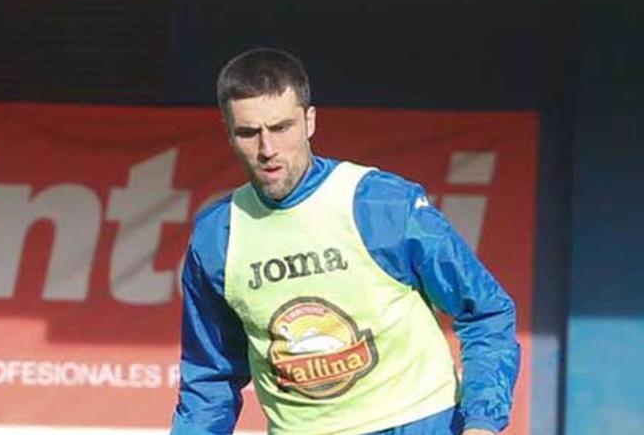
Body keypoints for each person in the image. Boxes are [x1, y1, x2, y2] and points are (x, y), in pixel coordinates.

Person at [170, 48, 520, 435]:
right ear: (229, 134)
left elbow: (485, 311)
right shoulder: (217, 236)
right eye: (250, 133)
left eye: (282, 128)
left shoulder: (381, 203)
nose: (267, 149)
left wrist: (482, 421)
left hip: (421, 423)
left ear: (310, 120)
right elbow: (210, 377)